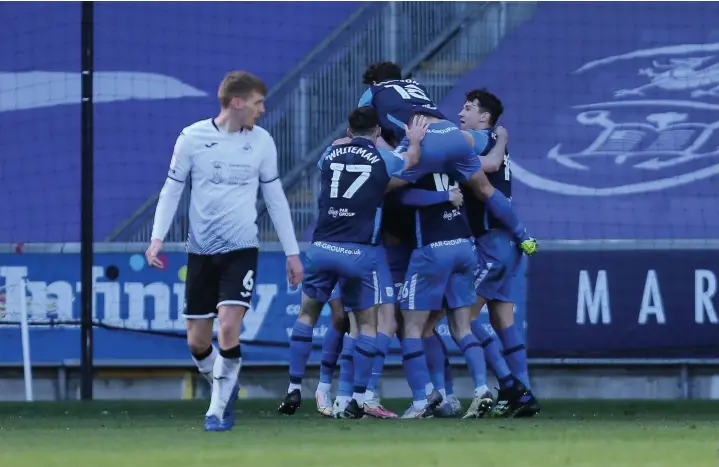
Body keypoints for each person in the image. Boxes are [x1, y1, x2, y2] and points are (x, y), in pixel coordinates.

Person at [145, 71, 304, 432]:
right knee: (197, 341)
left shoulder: (262, 142)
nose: (262, 110)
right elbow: (172, 190)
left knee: (229, 328)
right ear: (237, 103)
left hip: (241, 249)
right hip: (200, 252)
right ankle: (225, 383)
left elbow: (275, 198)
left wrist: (292, 253)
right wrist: (157, 238)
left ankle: (216, 412)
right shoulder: (192, 137)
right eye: (258, 102)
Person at [277, 107, 428, 419]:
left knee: (307, 315)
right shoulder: (383, 158)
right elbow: (411, 161)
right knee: (367, 325)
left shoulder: (328, 155)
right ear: (376, 132)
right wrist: (413, 140)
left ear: (348, 130)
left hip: (320, 248)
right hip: (358, 253)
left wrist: (341, 143)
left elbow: (330, 157)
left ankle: (293, 387)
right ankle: (357, 397)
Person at [357, 61, 538, 257]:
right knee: (485, 189)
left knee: (379, 186)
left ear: (374, 81)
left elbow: (366, 130)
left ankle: (366, 248)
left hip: (423, 140)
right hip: (450, 132)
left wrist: (392, 152)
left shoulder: (373, 91)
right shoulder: (416, 85)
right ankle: (524, 238)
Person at [458, 88, 539, 417]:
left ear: (484, 117)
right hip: (506, 244)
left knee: (464, 315)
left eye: (468, 108)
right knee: (503, 318)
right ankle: (524, 392)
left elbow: (482, 165)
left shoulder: (473, 140)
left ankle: (510, 386)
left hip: (492, 243)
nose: (461, 113)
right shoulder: (496, 139)